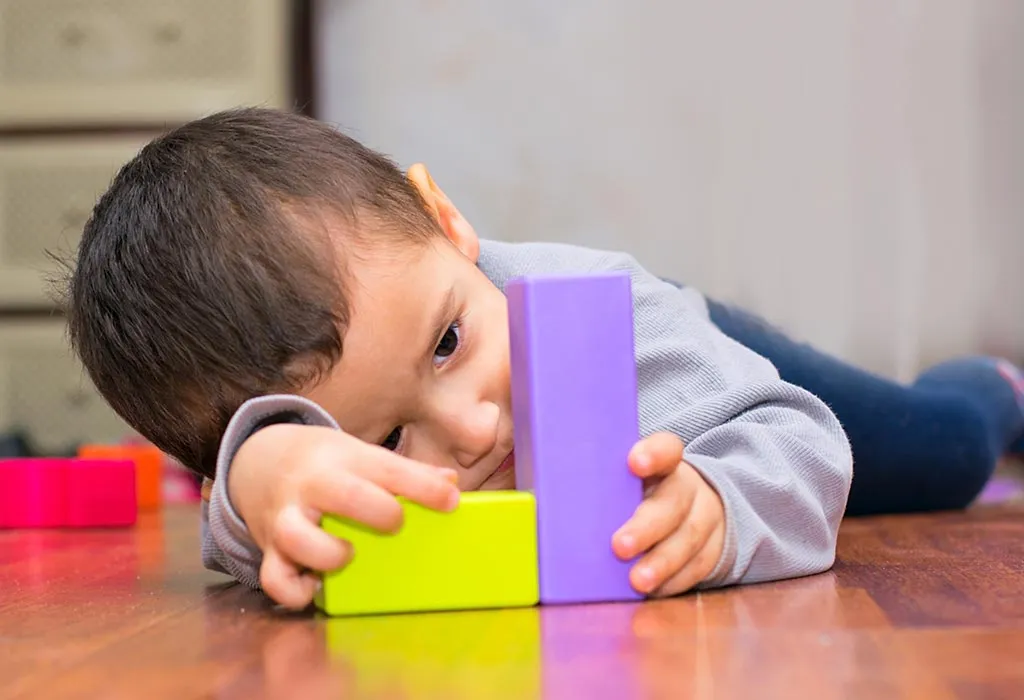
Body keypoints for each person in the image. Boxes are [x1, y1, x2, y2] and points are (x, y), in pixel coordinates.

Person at [59, 108, 1024, 609]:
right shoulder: (287, 471)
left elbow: (802, 446)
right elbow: (241, 539)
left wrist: (723, 506)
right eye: (390, 434)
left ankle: (991, 386)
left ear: (445, 220)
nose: (475, 430)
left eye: (449, 342)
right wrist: (263, 471)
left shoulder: (621, 321)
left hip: (696, 364)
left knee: (935, 452)